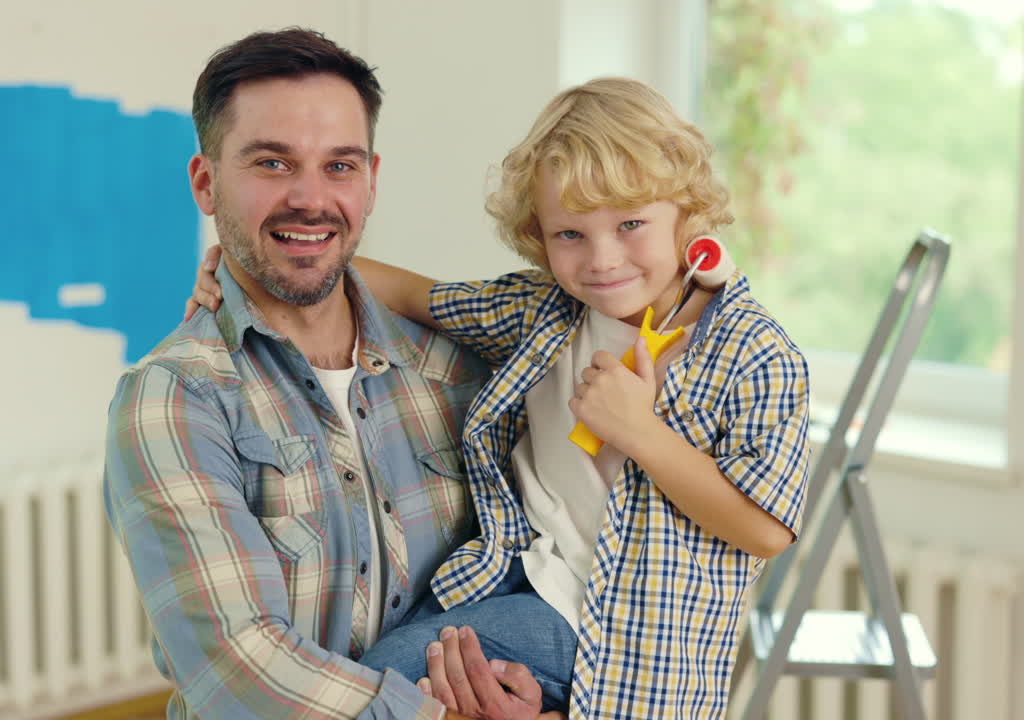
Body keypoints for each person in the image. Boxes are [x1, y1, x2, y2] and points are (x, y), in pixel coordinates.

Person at [189, 77, 811, 718]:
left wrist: (641, 433)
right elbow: (405, 293)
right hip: (510, 573)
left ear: (688, 213)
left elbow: (765, 530)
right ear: (538, 235)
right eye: (570, 234)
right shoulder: (545, 310)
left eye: (631, 224)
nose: (601, 259)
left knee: (380, 686)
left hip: (605, 632)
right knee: (370, 670)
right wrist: (241, 268)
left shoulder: (753, 353)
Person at [103, 27, 558, 720]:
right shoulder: (174, 400)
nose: (310, 199)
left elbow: (544, 560)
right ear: (206, 181)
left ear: (371, 180)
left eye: (339, 166)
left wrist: (534, 699)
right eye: (273, 164)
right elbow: (241, 667)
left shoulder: (459, 367)